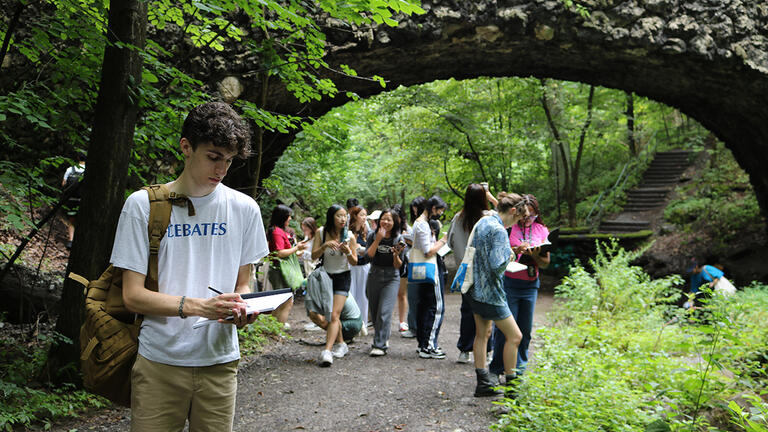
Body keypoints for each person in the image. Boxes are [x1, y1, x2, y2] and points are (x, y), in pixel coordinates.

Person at [111, 102, 267, 431]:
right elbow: (133, 296)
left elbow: (244, 284)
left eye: (228, 160)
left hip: (220, 363)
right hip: (159, 362)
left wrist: (243, 306)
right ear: (186, 147)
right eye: (213, 157)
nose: (221, 169)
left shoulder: (245, 209)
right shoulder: (142, 206)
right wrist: (202, 307)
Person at [468, 193, 525, 397]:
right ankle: (512, 389)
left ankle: (482, 383)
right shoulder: (499, 229)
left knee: (482, 334)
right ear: (512, 211)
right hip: (491, 293)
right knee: (515, 336)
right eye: (518, 218)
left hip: (474, 289)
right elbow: (497, 265)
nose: (516, 222)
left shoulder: (484, 221)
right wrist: (510, 254)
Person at [489, 194, 550, 379]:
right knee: (504, 330)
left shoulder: (541, 230)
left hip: (531, 285)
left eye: (532, 215)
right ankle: (496, 368)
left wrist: (535, 255)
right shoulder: (509, 228)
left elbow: (546, 262)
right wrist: (518, 250)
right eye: (525, 214)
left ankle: (518, 370)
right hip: (509, 283)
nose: (527, 219)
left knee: (524, 330)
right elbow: (499, 254)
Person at [447, 183, 496, 364]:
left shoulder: (458, 218)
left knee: (467, 310)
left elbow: (450, 242)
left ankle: (465, 350)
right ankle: (488, 351)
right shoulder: (490, 217)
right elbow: (509, 217)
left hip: (465, 272)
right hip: (485, 273)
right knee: (486, 312)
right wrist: (492, 198)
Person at [311, 204, 358, 367]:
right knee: (329, 314)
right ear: (332, 217)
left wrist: (348, 252)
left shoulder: (349, 236)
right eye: (339, 216)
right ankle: (342, 344)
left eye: (345, 216)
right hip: (326, 277)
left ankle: (327, 351)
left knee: (334, 314)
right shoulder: (321, 232)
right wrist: (324, 245)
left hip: (343, 277)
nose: (343, 219)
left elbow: (355, 262)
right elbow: (313, 256)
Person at [410, 195, 448, 359]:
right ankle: (429, 345)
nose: (440, 214)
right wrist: (443, 241)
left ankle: (423, 344)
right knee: (435, 307)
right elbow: (428, 251)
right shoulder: (423, 225)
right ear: (433, 209)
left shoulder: (418, 223)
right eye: (440, 210)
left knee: (424, 306)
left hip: (424, 270)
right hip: (431, 269)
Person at [365, 209, 405, 356]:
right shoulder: (372, 235)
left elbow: (399, 265)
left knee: (384, 312)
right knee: (375, 312)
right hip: (374, 275)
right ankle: (382, 337)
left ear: (394, 223)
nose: (386, 222)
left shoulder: (398, 238)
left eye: (389, 220)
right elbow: (368, 256)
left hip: (391, 277)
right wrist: (377, 239)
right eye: (384, 219)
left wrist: (396, 255)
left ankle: (379, 345)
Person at [266, 204, 307, 324]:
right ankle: (278, 330)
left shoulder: (277, 230)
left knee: (282, 302)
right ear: (282, 217)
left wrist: (297, 252)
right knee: (285, 302)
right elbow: (279, 253)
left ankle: (275, 329)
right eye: (288, 216)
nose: (290, 219)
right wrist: (296, 248)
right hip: (280, 272)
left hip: (280, 270)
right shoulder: (277, 232)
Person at [402, 196, 425, 338]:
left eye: (417, 208)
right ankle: (413, 326)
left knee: (420, 295)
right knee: (413, 295)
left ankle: (419, 327)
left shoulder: (426, 223)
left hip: (422, 262)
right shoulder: (416, 223)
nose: (415, 211)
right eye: (413, 209)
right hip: (413, 262)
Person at [349, 205, 371, 334]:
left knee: (363, 296)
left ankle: (363, 324)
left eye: (365, 215)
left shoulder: (366, 232)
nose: (364, 218)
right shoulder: (348, 232)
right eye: (362, 215)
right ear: (355, 216)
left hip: (364, 266)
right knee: (351, 294)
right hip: (352, 266)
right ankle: (352, 324)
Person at [61, 151, 86, 250]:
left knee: (72, 220)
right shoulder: (89, 171)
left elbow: (64, 184)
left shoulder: (70, 169)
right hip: (83, 200)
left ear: (78, 158)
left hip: (71, 199)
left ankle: (71, 241)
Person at [393, 204, 411, 336]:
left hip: (403, 263)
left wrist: (407, 240)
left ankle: (401, 321)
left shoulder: (407, 229)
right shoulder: (386, 229)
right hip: (388, 264)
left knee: (401, 294)